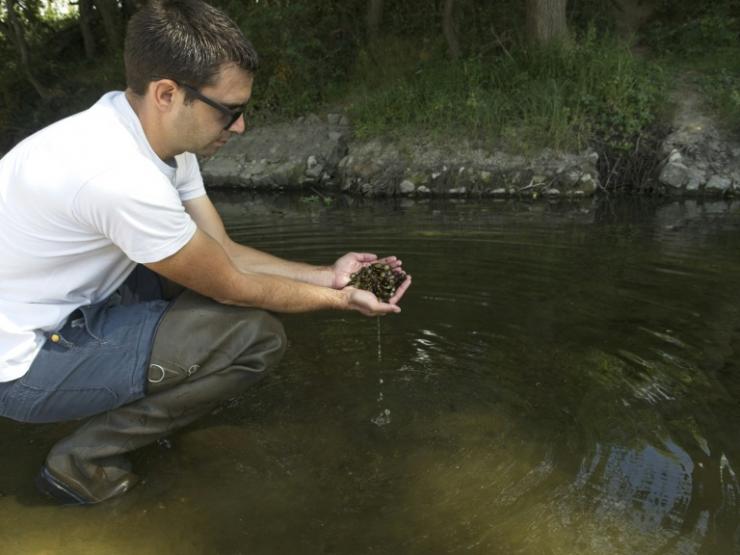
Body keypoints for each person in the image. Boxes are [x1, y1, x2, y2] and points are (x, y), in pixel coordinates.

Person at [0, 0, 411, 505]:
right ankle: (80, 462)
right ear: (168, 94)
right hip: (20, 365)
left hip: (67, 308)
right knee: (252, 337)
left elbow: (222, 252)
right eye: (230, 111)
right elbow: (232, 286)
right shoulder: (118, 177)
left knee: (191, 275)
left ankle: (133, 391)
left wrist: (328, 275)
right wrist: (345, 301)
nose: (239, 127)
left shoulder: (151, 134)